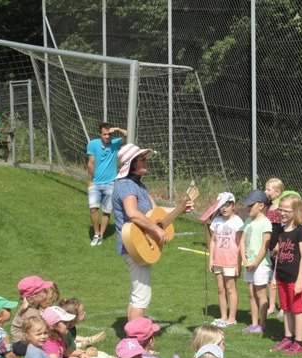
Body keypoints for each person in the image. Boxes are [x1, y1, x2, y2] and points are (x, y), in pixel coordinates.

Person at [112, 143, 194, 320]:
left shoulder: (140, 186)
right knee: (141, 296)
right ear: (131, 163)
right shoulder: (126, 185)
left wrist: (180, 208)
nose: (145, 161)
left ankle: (131, 334)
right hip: (134, 244)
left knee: (137, 293)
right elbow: (132, 213)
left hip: (139, 243)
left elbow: (156, 212)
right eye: (141, 159)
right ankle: (137, 336)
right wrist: (156, 229)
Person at [269, 193, 302, 355]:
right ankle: (288, 337)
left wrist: (299, 280)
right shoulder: (281, 230)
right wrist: (274, 277)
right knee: (286, 308)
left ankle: (299, 342)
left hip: (294, 278)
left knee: (297, 310)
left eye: (286, 210)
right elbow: (278, 255)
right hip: (282, 277)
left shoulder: (300, 232)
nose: (282, 213)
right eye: (281, 209)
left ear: (296, 211)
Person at [42, 306, 112, 358]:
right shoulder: (50, 343)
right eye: (65, 323)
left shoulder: (58, 338)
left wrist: (80, 354)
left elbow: (65, 351)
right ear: (53, 326)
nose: (68, 325)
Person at [237, 189, 272, 332]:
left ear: (261, 206)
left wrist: (255, 263)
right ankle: (254, 323)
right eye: (248, 205)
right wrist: (245, 260)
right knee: (251, 293)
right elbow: (242, 241)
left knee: (260, 293)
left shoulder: (266, 223)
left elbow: (265, 246)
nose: (248, 208)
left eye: (251, 205)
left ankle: (262, 324)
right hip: (248, 264)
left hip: (261, 264)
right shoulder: (247, 221)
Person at [87, 122, 127, 246]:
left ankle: (101, 235)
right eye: (104, 134)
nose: (107, 137)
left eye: (109, 134)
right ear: (100, 134)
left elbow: (128, 134)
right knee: (93, 209)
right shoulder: (92, 144)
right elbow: (90, 163)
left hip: (110, 183)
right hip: (95, 183)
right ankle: (96, 233)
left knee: (107, 211)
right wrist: (90, 181)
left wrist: (118, 128)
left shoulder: (115, 143)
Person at [208, 193, 243, 327]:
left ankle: (231, 318)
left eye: (227, 205)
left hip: (231, 261)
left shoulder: (237, 222)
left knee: (230, 288)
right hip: (218, 259)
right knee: (220, 288)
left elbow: (240, 244)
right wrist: (211, 259)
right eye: (221, 205)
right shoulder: (216, 221)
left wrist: (238, 264)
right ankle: (223, 316)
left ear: (233, 206)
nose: (224, 208)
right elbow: (213, 241)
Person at [10, 275, 59, 356]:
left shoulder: (32, 308)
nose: (46, 292)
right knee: (52, 344)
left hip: (25, 341)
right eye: (44, 291)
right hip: (22, 345)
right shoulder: (31, 313)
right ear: (35, 296)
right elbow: (42, 329)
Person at [265, 178, 285, 318]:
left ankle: (283, 306)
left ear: (277, 192)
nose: (266, 191)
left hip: (278, 246)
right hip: (270, 246)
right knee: (270, 277)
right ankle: (272, 305)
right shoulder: (269, 205)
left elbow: (281, 228)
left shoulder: (280, 207)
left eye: (268, 189)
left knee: (280, 277)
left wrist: (279, 243)